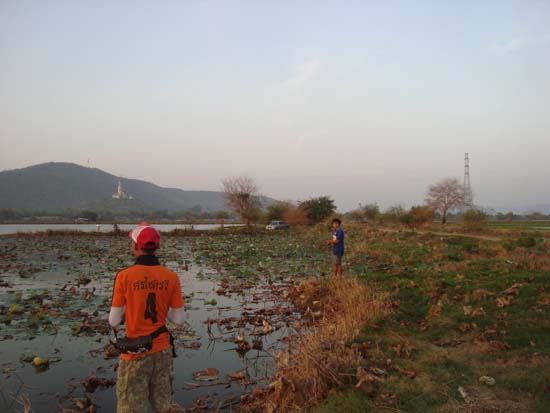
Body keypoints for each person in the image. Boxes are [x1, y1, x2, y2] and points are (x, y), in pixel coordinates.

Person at [109, 222, 185, 413]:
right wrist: (162, 306)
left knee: (131, 407)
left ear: (135, 247)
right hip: (162, 351)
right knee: (162, 404)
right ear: (157, 247)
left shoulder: (124, 276)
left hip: (135, 352)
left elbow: (114, 321)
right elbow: (178, 320)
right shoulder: (171, 276)